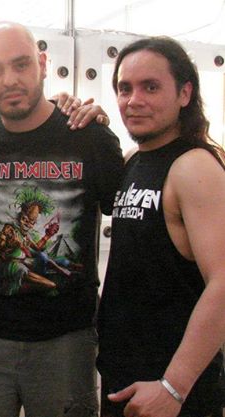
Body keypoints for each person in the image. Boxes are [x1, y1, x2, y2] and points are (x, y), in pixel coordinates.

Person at [0, 21, 124, 417]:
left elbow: (134, 212)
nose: (10, 80)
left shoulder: (90, 137)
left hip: (67, 340)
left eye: (21, 64)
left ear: (42, 64)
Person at [97, 36, 225, 417]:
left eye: (150, 87)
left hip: (171, 391)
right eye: (125, 88)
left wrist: (174, 386)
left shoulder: (194, 166)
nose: (134, 100)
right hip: (126, 378)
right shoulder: (134, 159)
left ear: (185, 93)